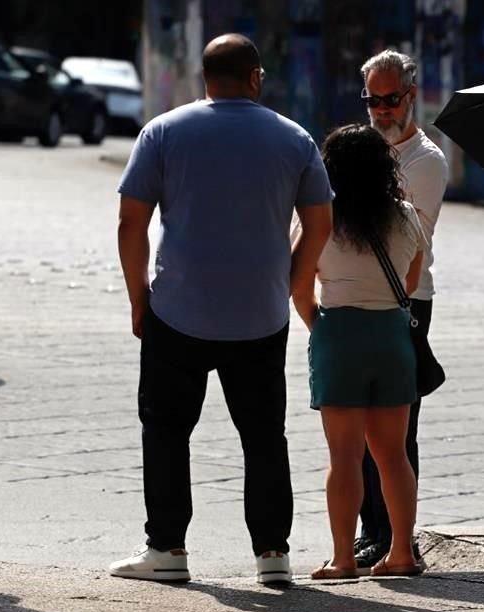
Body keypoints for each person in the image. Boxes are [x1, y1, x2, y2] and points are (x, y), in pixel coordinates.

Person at [111, 33, 333, 584]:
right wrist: (293, 279)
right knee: (264, 436)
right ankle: (273, 554)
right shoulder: (294, 138)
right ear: (256, 77)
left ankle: (167, 548)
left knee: (166, 430)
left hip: (177, 310)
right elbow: (320, 222)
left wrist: (139, 298)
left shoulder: (163, 131)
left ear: (203, 77)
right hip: (260, 314)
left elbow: (130, 222)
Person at [300, 123, 426, 579]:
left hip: (339, 333)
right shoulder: (406, 215)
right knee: (393, 455)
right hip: (392, 335)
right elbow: (411, 281)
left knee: (345, 456)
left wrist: (321, 325)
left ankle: (343, 558)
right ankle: (401, 552)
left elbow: (299, 285)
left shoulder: (320, 217)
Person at [354, 49, 448, 569]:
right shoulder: (363, 149)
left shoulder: (426, 160)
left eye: (390, 99)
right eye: (372, 100)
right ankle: (372, 528)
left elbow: (411, 237)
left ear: (410, 97)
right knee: (358, 424)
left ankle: (397, 536)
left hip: (407, 299)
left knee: (396, 427)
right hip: (360, 297)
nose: (381, 110)